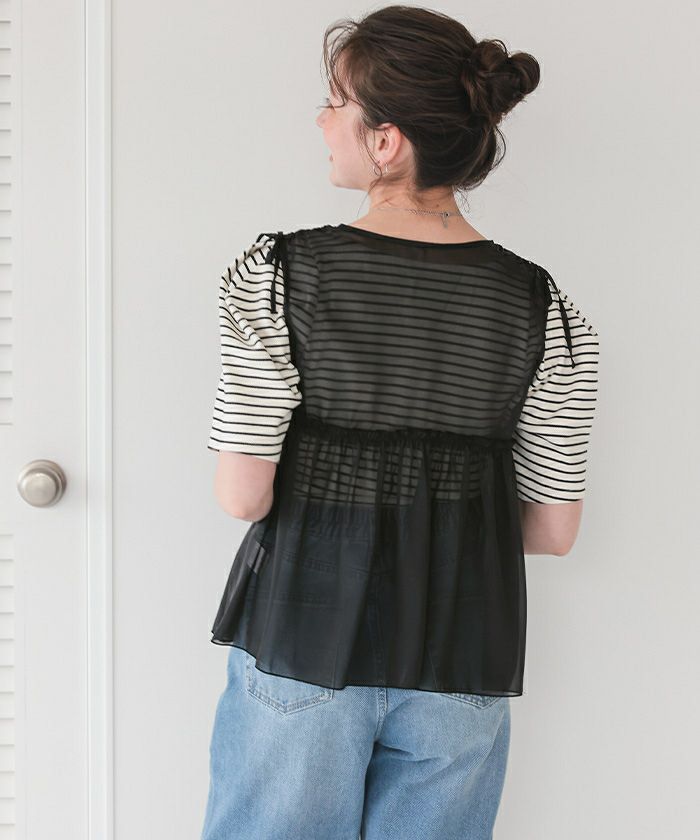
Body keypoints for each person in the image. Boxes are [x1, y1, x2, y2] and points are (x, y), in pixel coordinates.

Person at [201, 6, 600, 840]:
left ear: (386, 142)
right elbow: (553, 530)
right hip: (464, 653)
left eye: (335, 103)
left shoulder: (280, 277)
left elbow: (243, 496)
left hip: (307, 638)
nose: (321, 121)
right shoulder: (545, 309)